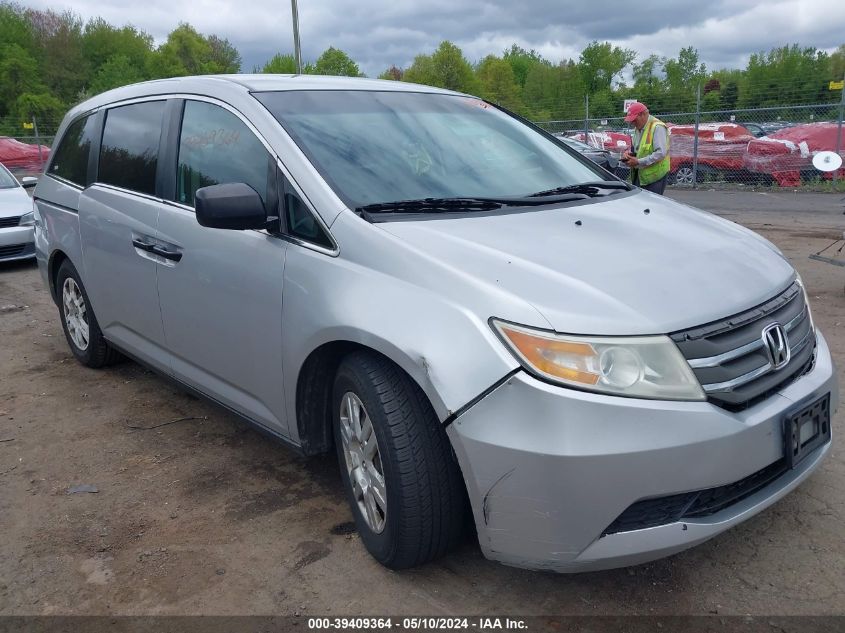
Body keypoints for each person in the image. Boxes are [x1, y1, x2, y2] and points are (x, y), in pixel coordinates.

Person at [621, 102, 670, 195]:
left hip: (655, 177)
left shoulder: (657, 127)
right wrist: (629, 154)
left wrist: (638, 162)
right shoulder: (638, 128)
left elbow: (660, 153)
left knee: (652, 206)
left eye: (634, 120)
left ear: (643, 115)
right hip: (641, 175)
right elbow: (638, 149)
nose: (632, 123)